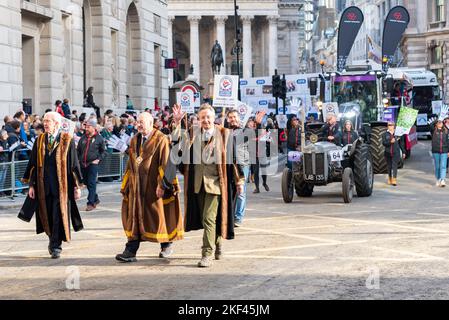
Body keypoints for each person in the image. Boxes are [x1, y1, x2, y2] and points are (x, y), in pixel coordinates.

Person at [172, 104, 244, 268]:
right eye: (202, 117)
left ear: (214, 119)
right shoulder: (193, 134)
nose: (205, 120)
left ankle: (206, 254)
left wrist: (239, 180)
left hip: (216, 184)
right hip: (198, 184)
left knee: (209, 218)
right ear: (198, 119)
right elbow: (178, 146)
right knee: (208, 220)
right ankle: (217, 243)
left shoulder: (225, 134)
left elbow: (234, 159)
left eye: (208, 117)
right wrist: (177, 124)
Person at [115, 112, 183, 262]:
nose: (138, 124)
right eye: (137, 122)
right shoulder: (134, 140)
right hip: (136, 187)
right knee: (135, 217)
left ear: (151, 122)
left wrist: (163, 185)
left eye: (142, 122)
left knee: (158, 216)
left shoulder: (161, 139)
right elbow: (130, 164)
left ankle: (166, 244)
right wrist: (125, 185)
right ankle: (130, 250)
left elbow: (166, 162)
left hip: (154, 186)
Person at [19, 112, 83, 259]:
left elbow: (74, 165)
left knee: (58, 215)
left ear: (57, 123)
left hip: (61, 187)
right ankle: (51, 239)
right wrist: (31, 186)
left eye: (48, 121)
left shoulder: (67, 140)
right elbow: (33, 164)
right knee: (46, 215)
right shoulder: (40, 140)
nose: (45, 123)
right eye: (44, 121)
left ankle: (56, 245)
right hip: (43, 187)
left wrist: (77, 186)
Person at [226, 109, 251, 227]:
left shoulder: (244, 130)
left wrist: (258, 123)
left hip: (242, 164)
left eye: (234, 117)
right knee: (230, 191)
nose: (233, 119)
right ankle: (230, 216)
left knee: (241, 191)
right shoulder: (225, 131)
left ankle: (238, 218)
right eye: (230, 117)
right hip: (229, 164)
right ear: (227, 119)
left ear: (238, 118)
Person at [76, 118, 106, 211]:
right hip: (83, 164)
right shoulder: (83, 137)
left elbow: (104, 152)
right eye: (86, 126)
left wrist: (98, 159)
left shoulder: (99, 138)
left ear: (93, 127)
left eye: (88, 127)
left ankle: (91, 203)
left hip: (93, 164)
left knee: (91, 183)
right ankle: (95, 199)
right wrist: (77, 161)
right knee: (86, 183)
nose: (86, 128)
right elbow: (79, 150)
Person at [382, 121, 406, 186]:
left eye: (392, 125)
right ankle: (389, 178)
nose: (390, 126)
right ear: (387, 126)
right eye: (389, 125)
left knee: (394, 165)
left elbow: (401, 144)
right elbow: (384, 143)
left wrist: (403, 152)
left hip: (396, 152)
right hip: (388, 152)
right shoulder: (385, 134)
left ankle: (394, 179)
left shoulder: (398, 134)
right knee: (389, 166)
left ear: (394, 126)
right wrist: (390, 142)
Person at [431, 119, 449, 187]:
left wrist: (448, 151)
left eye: (441, 122)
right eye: (438, 123)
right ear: (436, 124)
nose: (440, 123)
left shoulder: (446, 131)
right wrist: (437, 119)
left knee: (443, 166)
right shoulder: (433, 131)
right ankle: (438, 179)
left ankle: (442, 180)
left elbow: (448, 142)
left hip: (444, 151)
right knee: (437, 166)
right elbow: (431, 125)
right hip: (436, 151)